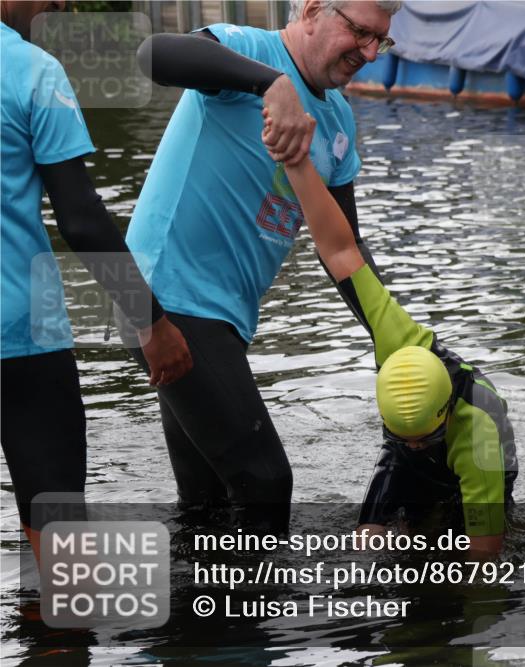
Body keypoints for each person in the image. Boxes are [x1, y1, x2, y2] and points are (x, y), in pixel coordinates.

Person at [121, 0, 401, 531]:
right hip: (160, 299)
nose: (368, 53)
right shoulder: (248, 49)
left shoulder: (338, 120)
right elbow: (153, 55)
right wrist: (271, 84)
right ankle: (256, 612)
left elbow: (343, 250)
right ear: (314, 9)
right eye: (361, 32)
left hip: (220, 319)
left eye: (380, 41)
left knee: (207, 504)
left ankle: (196, 611)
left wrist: (397, 338)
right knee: (266, 482)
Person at [264, 111, 518, 557]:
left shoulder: (480, 438)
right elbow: (340, 250)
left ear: (442, 416)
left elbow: (484, 559)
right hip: (421, 432)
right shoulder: (393, 337)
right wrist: (296, 162)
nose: (417, 446)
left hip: (480, 456)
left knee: (452, 544)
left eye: (422, 438)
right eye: (406, 436)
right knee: (367, 544)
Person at [0, 0, 192, 557]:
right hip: (20, 333)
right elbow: (82, 221)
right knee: (56, 534)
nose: (62, 4)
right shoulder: (32, 70)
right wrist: (151, 322)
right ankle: (56, 644)